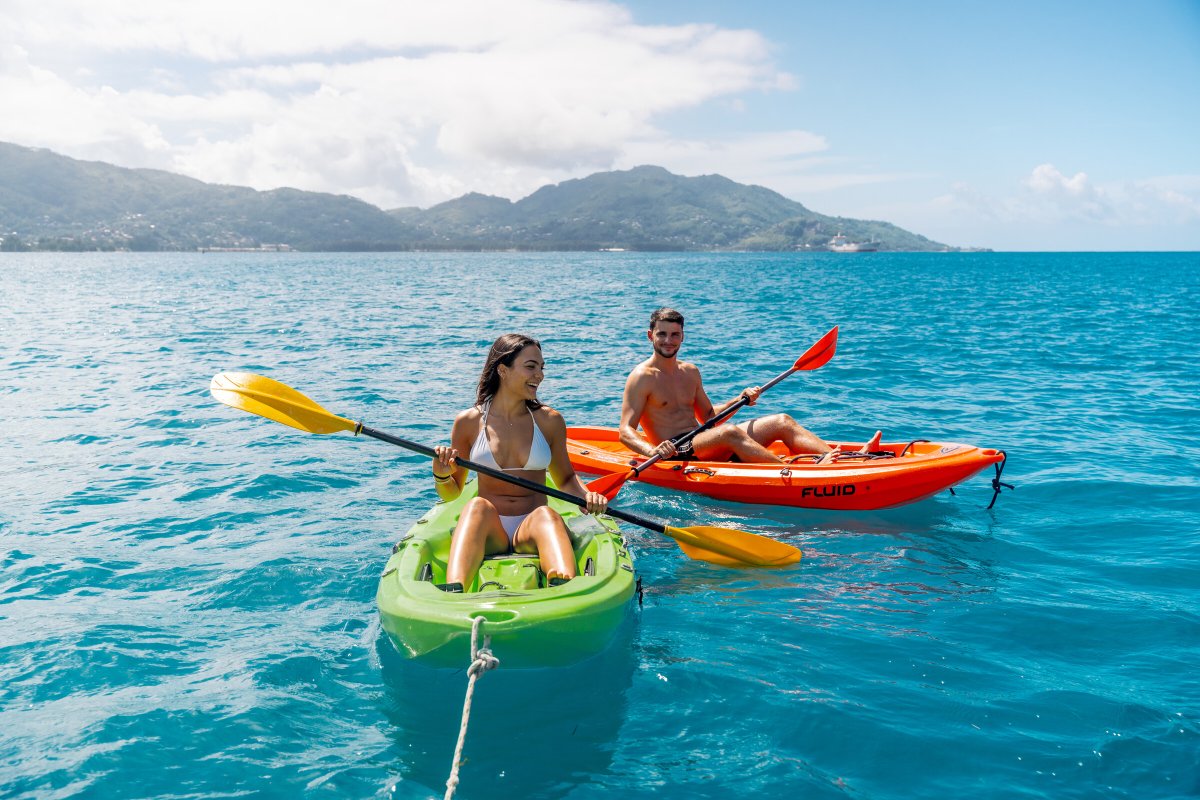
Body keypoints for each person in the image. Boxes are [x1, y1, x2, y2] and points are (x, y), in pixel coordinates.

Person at [431, 333, 608, 592]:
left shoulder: (549, 421)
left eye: (541, 368)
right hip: (490, 529)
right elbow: (452, 494)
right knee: (476, 506)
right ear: (503, 370)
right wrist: (442, 475)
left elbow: (566, 479)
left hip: (532, 528)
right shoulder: (468, 422)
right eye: (531, 367)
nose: (540, 375)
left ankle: (563, 589)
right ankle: (453, 590)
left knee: (547, 515)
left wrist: (588, 496)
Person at [619, 307, 882, 465]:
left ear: (682, 336)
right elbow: (625, 431)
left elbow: (709, 418)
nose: (668, 340)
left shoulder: (690, 371)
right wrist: (652, 451)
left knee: (782, 420)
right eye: (662, 334)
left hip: (701, 440)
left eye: (674, 334)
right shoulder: (642, 376)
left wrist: (739, 398)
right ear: (650, 335)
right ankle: (790, 471)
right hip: (675, 451)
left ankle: (847, 459)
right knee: (730, 432)